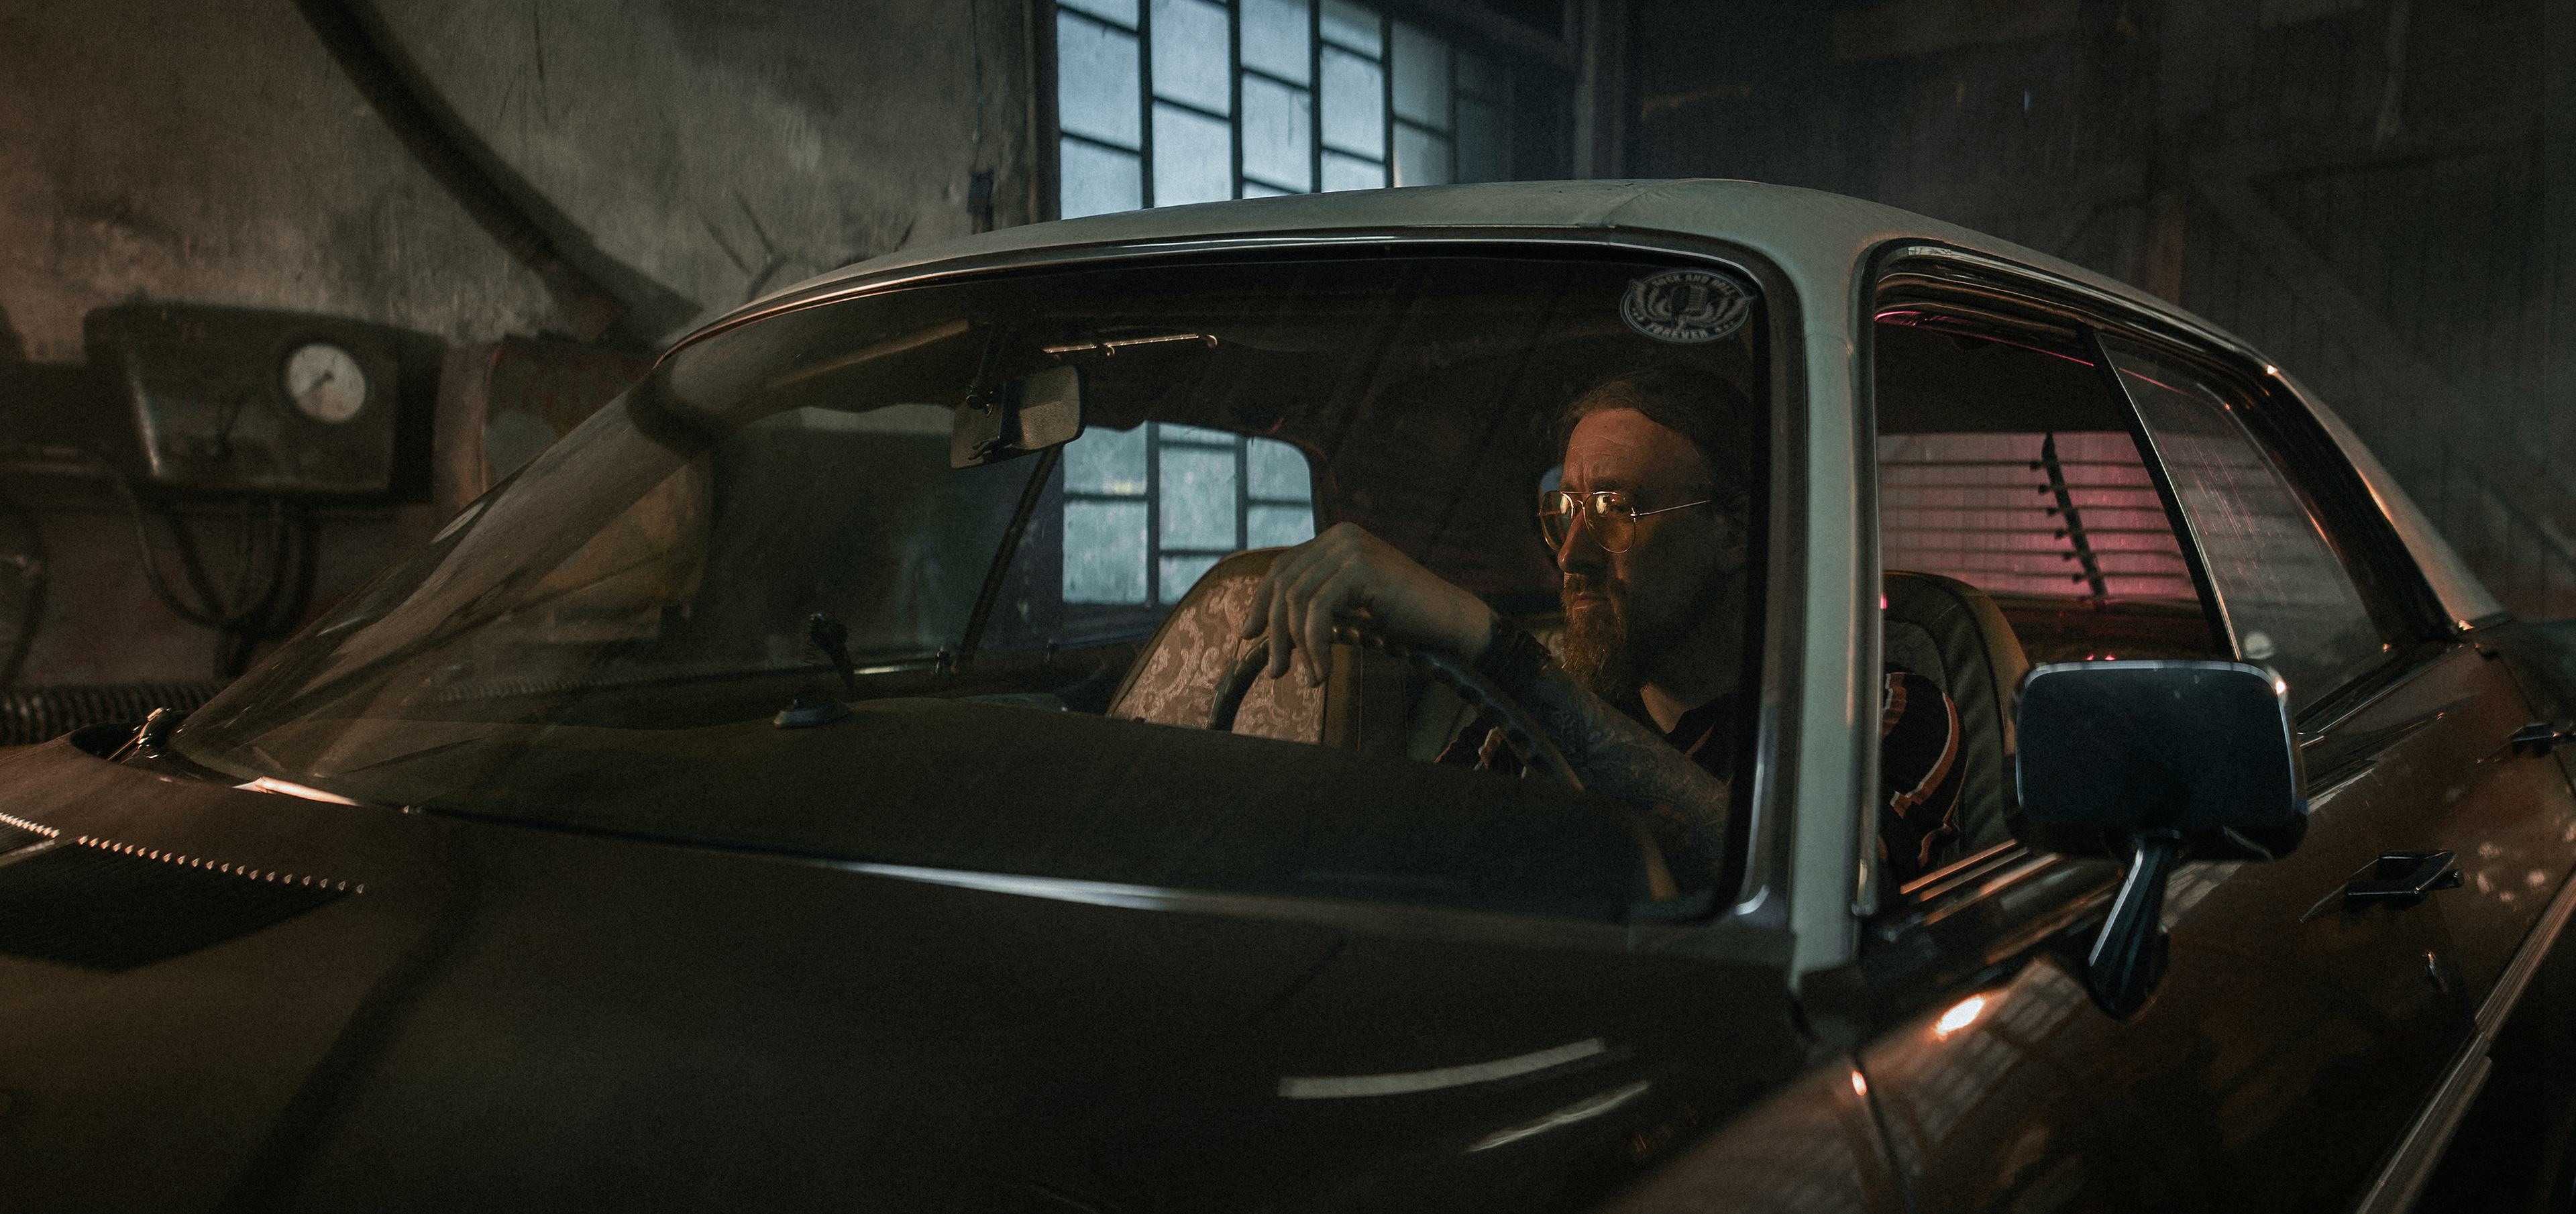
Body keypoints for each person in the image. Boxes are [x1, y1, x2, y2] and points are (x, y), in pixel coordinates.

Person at [1238, 367, 1964, 893]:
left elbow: (1826, 889)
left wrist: (1487, 642)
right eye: (1565, 510)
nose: (1570, 555)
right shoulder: (1529, 724)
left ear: (1734, 532)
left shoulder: (1878, 713)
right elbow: (1410, 858)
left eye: (1615, 508)